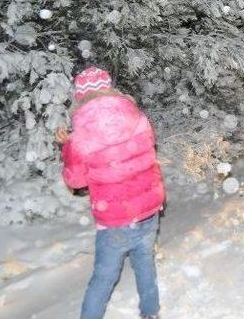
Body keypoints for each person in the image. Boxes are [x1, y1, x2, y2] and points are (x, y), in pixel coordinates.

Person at [56, 66, 165, 319]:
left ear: (80, 97)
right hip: (148, 209)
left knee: (103, 279)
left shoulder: (80, 136)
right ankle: (151, 313)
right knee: (145, 263)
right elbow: (147, 149)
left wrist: (67, 148)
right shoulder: (139, 118)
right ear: (110, 88)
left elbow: (76, 180)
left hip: (116, 219)